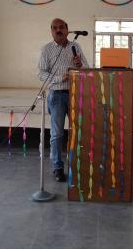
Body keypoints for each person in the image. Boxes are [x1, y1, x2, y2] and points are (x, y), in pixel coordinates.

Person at [38, 18, 89, 182]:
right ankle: (58, 167)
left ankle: (76, 165)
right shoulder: (46, 50)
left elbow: (87, 69)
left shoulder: (76, 46)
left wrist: (80, 64)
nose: (58, 30)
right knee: (57, 134)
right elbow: (41, 74)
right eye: (55, 28)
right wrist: (61, 77)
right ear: (51, 31)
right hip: (57, 95)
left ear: (68, 29)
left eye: (61, 27)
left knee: (77, 132)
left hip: (75, 94)